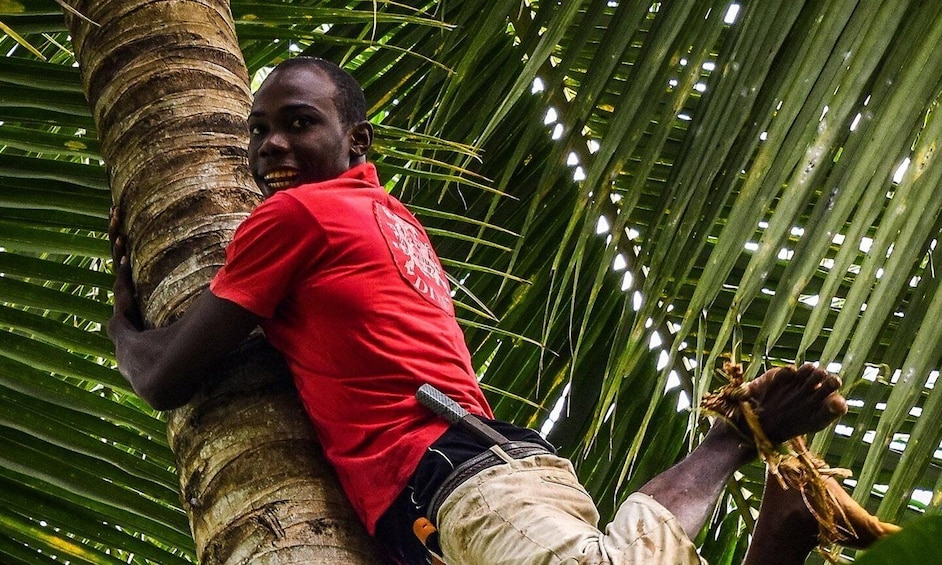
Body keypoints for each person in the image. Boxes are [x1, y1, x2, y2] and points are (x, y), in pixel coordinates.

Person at [108, 56, 897, 564]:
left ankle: (733, 451)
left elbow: (166, 376)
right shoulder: (389, 221)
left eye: (298, 123)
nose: (271, 145)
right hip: (499, 473)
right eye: (257, 131)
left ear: (358, 138)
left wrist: (125, 318)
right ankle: (738, 460)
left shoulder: (296, 218)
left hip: (452, 482)